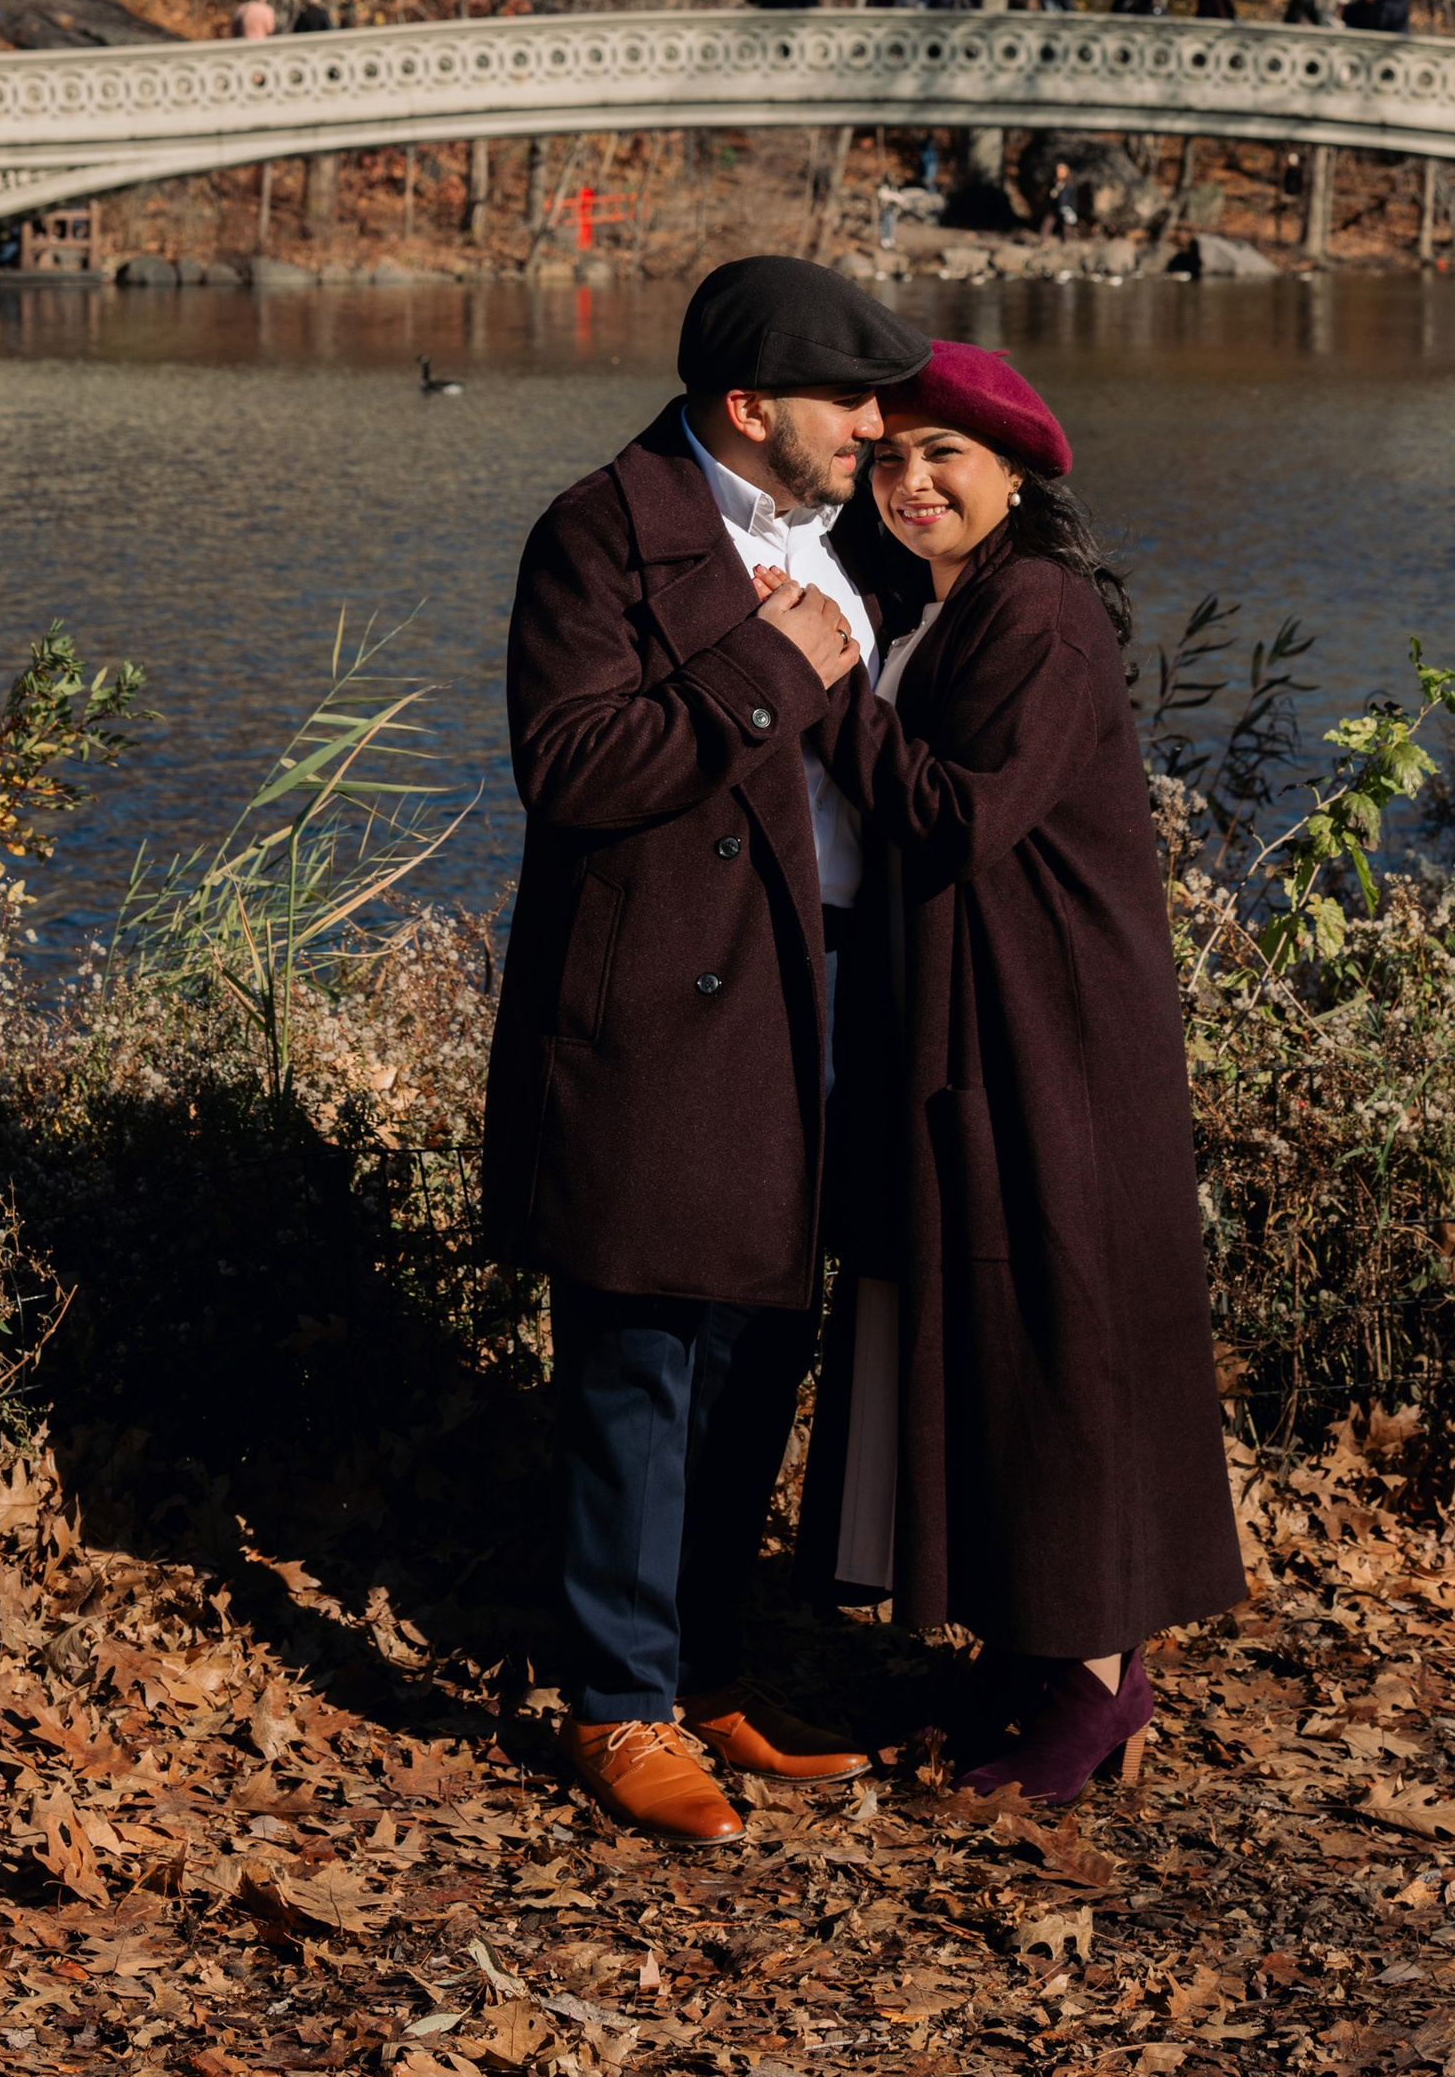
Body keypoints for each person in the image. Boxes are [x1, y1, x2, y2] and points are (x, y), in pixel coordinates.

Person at [483, 255, 932, 1843]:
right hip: (666, 1006)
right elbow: (571, 765)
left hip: (826, 993)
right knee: (640, 1359)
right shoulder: (599, 531)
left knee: (760, 1349)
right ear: (750, 408)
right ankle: (616, 1706)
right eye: (850, 401)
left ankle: (711, 1668)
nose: (879, 426)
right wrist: (766, 670)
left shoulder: (856, 533)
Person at [797, 344, 1244, 1806]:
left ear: (1017, 476)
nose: (911, 481)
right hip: (990, 1018)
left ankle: (1101, 1676)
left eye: (945, 457)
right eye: (890, 458)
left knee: (1063, 1329)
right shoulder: (950, 611)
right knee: (996, 1319)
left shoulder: (1037, 613)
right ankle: (1030, 1645)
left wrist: (821, 697)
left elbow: (963, 817)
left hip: (1056, 1033)